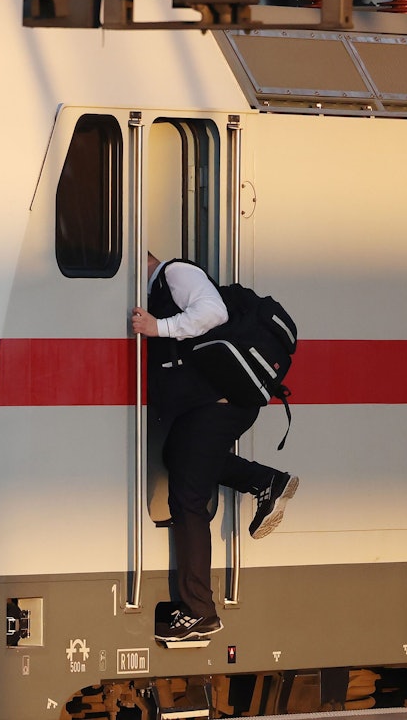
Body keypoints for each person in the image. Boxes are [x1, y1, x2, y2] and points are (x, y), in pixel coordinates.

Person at [132, 252, 299, 642]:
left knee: (188, 496)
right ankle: (267, 482)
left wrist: (159, 327)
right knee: (178, 456)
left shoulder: (175, 273)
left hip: (220, 404)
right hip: (213, 403)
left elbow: (212, 313)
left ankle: (198, 612)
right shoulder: (164, 283)